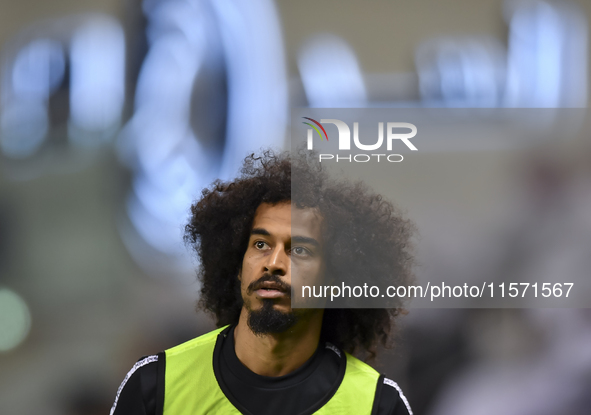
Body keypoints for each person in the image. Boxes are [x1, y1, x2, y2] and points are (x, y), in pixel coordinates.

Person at [110, 150, 415, 415]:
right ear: (237, 264)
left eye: (299, 250)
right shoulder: (157, 386)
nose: (274, 263)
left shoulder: (376, 404)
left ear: (335, 280)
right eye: (260, 244)